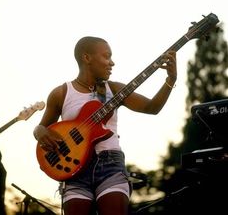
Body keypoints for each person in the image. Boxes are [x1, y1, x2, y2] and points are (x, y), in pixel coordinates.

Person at [33, 36, 177, 215]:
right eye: (107, 56)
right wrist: (40, 132)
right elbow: (41, 128)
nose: (112, 63)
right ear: (87, 58)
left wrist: (170, 80)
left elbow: (151, 107)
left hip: (110, 165)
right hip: (74, 171)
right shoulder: (61, 93)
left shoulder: (114, 89)